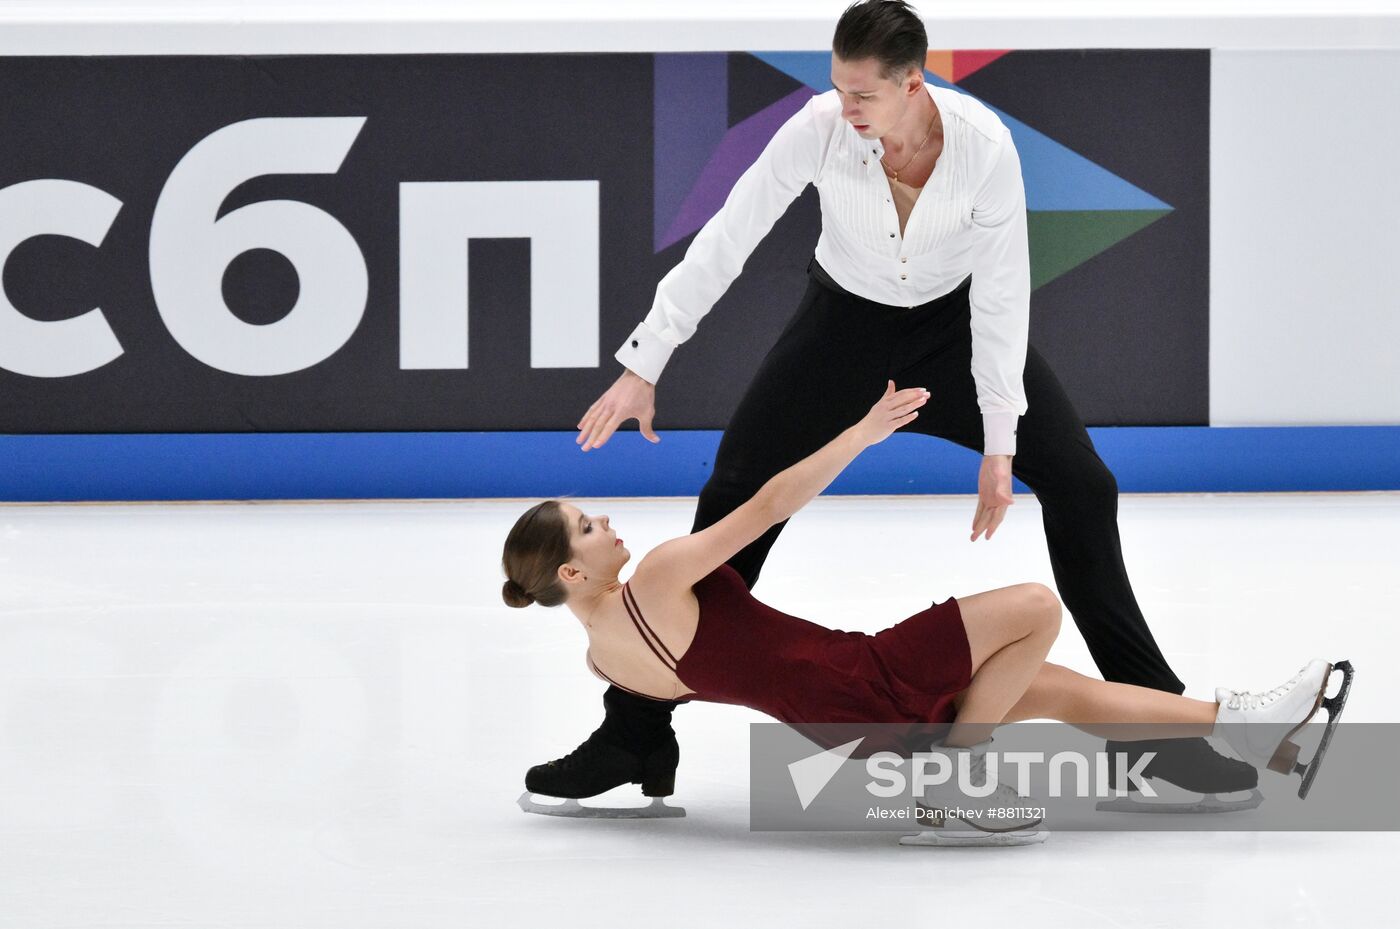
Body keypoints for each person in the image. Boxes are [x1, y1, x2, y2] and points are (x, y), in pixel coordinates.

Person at [533, 0, 1251, 808]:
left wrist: (1001, 440)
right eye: (838, 89)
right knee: (733, 493)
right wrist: (647, 358)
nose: (846, 109)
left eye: (863, 95)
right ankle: (633, 733)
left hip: (954, 329)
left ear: (914, 83)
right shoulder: (819, 128)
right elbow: (730, 235)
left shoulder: (984, 149)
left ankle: (1156, 736)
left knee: (1084, 485)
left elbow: (1004, 296)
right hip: (841, 325)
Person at [505, 383, 1353, 836]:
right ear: (572, 573)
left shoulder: (605, 659)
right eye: (587, 525)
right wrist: (862, 433)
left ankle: (1243, 724)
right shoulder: (656, 576)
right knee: (1034, 607)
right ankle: (950, 779)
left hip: (841, 724)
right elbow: (766, 504)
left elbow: (686, 697)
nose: (605, 520)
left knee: (1057, 689)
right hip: (864, 676)